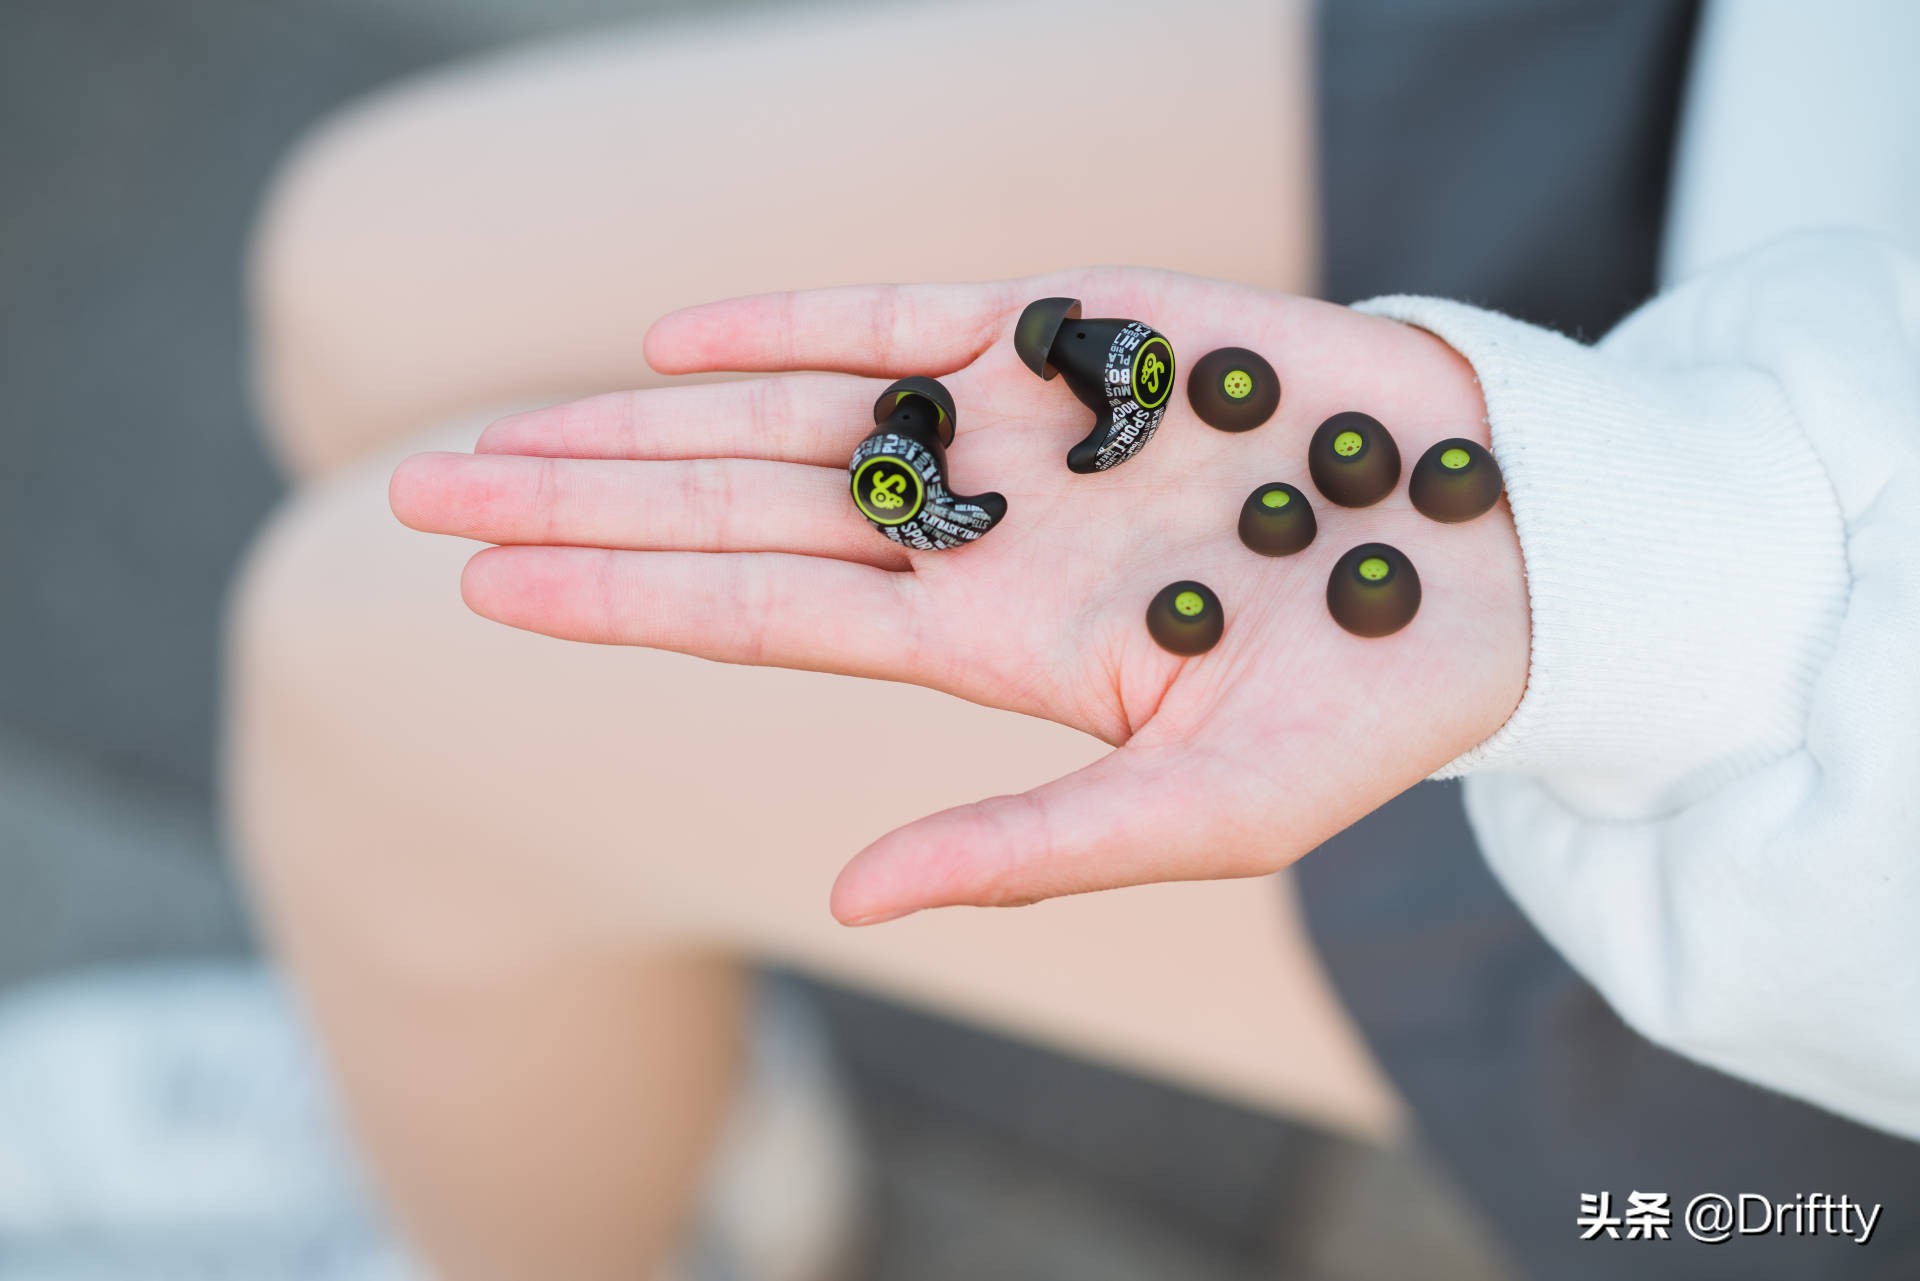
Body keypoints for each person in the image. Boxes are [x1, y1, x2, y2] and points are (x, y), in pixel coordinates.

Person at [227, 1, 1920, 1278]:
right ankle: (594, 1063)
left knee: (372, 693)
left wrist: (1642, 566)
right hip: (1757, 104)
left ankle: (578, 1191)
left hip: (1784, 793)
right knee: (363, 274)